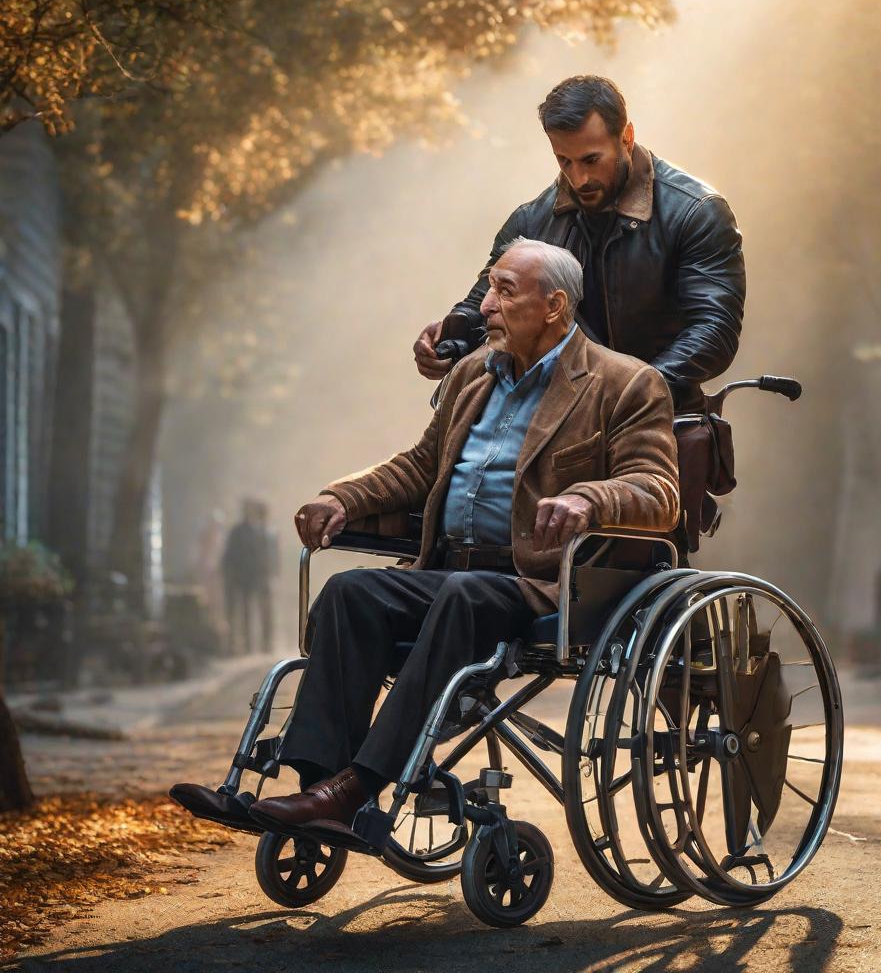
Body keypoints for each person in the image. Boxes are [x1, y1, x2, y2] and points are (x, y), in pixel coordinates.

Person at [171, 237, 679, 842]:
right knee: (350, 592)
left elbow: (657, 491)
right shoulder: (472, 374)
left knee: (462, 595)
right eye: (489, 287)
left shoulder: (625, 384)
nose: (484, 305)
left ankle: (359, 785)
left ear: (554, 306)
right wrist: (342, 497)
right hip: (448, 571)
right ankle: (317, 786)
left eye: (503, 291)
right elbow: (420, 466)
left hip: (542, 582)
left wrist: (588, 498)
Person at [413, 75, 745, 552]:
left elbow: (714, 331)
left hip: (649, 427)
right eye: (563, 161)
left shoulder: (697, 212)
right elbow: (482, 301)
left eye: (592, 159)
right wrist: (450, 340)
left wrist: (624, 397)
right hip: (542, 422)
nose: (579, 178)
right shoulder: (533, 219)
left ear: (625, 137)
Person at [220, 498, 274, 654]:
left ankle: (266, 643)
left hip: (261, 576)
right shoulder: (237, 531)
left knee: (264, 611)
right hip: (244, 577)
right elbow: (231, 555)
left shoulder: (264, 531)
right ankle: (248, 645)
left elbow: (269, 556)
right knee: (246, 612)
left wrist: (271, 573)